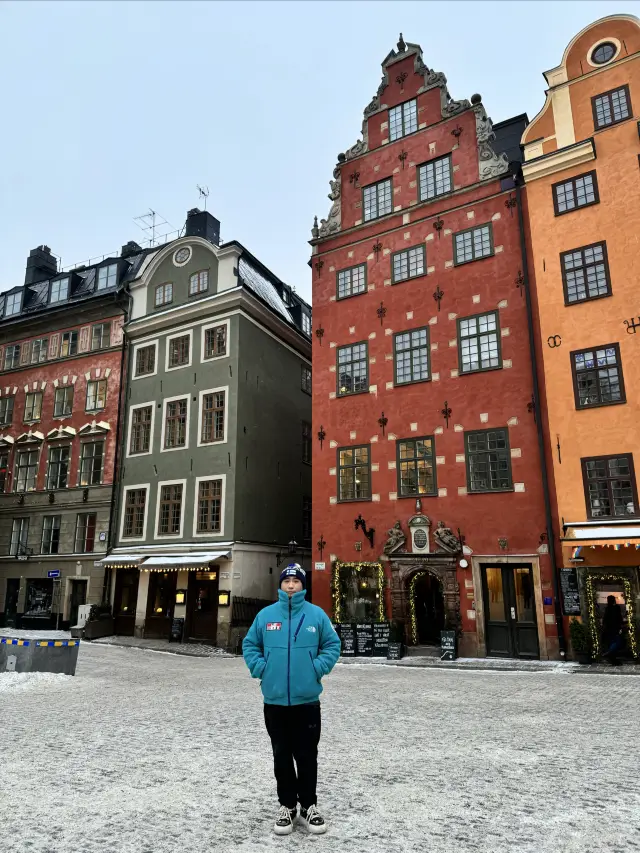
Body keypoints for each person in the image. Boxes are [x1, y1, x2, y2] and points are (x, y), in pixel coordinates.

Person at [243, 563, 341, 836]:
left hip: (307, 700)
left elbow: (333, 644)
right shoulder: (265, 616)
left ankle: (309, 805)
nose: (290, 585)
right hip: (274, 700)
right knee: (281, 755)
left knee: (307, 755)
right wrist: (262, 668)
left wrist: (317, 668)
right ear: (281, 584)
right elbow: (250, 644)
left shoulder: (316, 615)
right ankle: (288, 805)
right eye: (286, 580)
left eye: (295, 581)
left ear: (302, 585)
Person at [601, 595, 626, 666]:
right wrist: (622, 624)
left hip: (609, 629)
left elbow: (604, 619)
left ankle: (612, 657)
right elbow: (620, 618)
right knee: (617, 642)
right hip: (615, 628)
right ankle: (609, 653)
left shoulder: (607, 608)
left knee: (612, 642)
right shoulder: (617, 608)